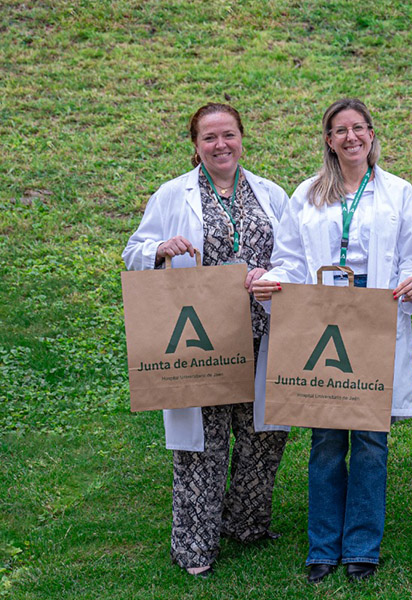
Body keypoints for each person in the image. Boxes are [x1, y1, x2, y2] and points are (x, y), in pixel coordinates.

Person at [250, 98, 412, 582]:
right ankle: (322, 545)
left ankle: (361, 546)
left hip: (373, 319)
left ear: (372, 135)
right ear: (328, 140)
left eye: (359, 128)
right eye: (340, 130)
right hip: (321, 322)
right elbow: (289, 257)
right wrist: (273, 280)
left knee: (371, 440)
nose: (351, 137)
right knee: (327, 440)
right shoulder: (308, 193)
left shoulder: (398, 191)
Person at [122, 103, 290, 578]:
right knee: (204, 442)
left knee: (264, 435)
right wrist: (159, 248)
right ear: (195, 145)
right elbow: (134, 250)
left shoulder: (271, 194)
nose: (221, 145)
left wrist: (273, 273)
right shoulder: (173, 195)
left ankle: (246, 524)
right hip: (203, 339)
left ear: (242, 138)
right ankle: (195, 545)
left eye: (229, 135)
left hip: (262, 331)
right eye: (210, 137)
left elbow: (295, 254)